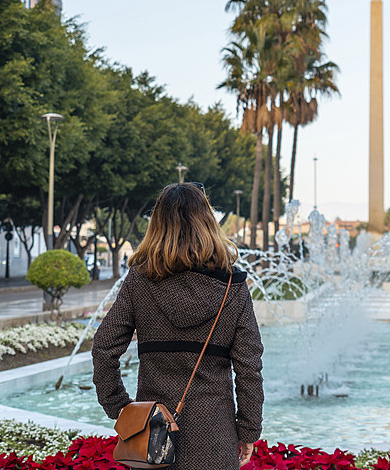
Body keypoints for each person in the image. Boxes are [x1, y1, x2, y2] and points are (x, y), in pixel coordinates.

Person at [92, 183, 264, 469]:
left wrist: (119, 408)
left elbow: (103, 348)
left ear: (158, 225)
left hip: (151, 439)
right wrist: (248, 430)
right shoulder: (232, 287)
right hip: (215, 438)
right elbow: (249, 367)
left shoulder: (140, 280)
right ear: (208, 223)